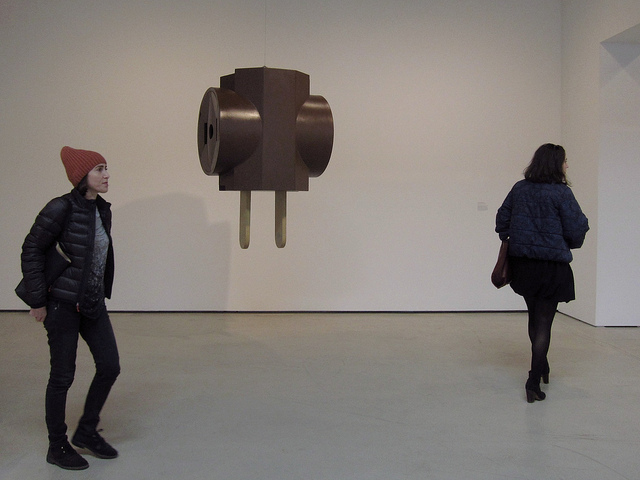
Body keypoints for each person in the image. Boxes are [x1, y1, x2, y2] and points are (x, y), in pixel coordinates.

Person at [19, 146, 120, 470]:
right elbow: (32, 249)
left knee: (109, 366)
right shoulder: (59, 208)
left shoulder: (102, 209)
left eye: (106, 168)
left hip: (92, 303)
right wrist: (37, 300)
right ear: (82, 177)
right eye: (99, 169)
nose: (106, 175)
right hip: (62, 305)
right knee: (62, 377)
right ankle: (57, 445)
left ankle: (86, 432)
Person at [495, 143, 589, 403]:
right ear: (555, 164)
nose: (567, 165)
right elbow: (576, 228)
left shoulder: (520, 189)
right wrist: (569, 240)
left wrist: (514, 238)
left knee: (534, 317)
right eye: (565, 161)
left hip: (523, 265)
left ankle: (542, 365)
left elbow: (502, 219)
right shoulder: (561, 194)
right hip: (551, 266)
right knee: (544, 322)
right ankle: (533, 380)